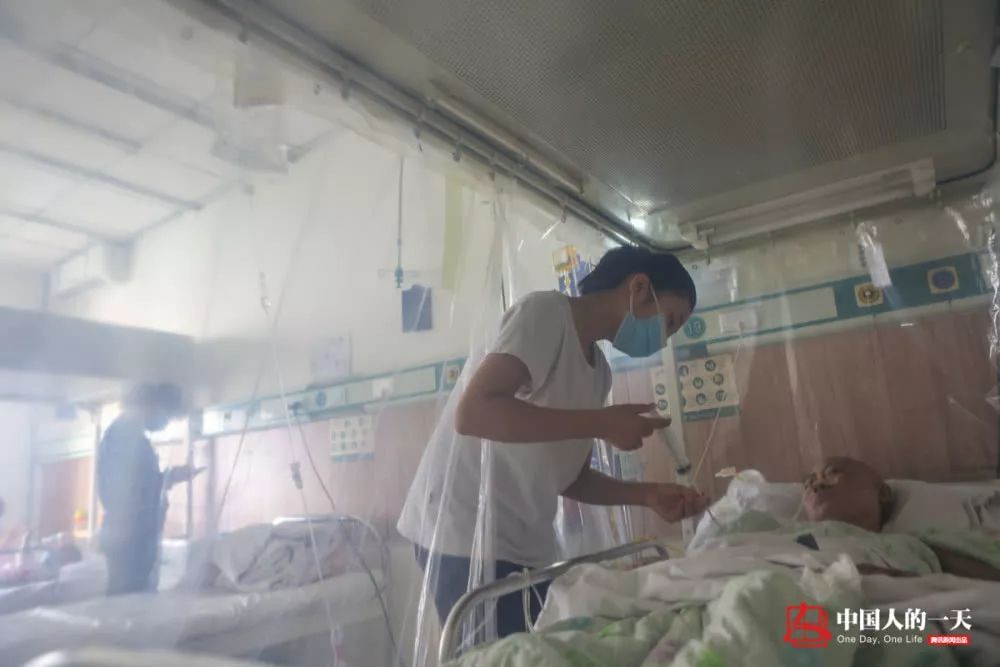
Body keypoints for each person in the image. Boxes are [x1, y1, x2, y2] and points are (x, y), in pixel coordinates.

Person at [398, 246, 709, 638]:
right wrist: (602, 423)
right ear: (640, 287)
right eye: (669, 322)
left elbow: (570, 478)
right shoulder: (545, 315)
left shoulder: (599, 374)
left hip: (525, 544)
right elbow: (474, 412)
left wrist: (647, 495)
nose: (661, 341)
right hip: (464, 531)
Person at [802, 456, 1000, 581]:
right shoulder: (786, 534)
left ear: (883, 494)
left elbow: (988, 583)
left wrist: (883, 578)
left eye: (831, 474)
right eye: (809, 482)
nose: (816, 485)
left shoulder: (912, 546)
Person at [97, 382, 200, 595]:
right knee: (130, 601)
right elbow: (129, 491)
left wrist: (169, 477)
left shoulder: (130, 437)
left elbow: (141, 483)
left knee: (135, 597)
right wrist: (164, 482)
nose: (164, 420)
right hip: (130, 537)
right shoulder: (122, 438)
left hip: (133, 534)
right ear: (149, 405)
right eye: (165, 414)